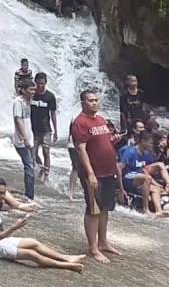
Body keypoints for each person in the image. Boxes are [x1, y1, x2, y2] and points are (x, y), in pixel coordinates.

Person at [0, 176, 85, 272]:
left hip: (2, 240)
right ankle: (65, 265)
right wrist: (14, 227)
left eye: (4, 193)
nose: (3, 196)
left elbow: (12, 206)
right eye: (0, 193)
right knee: (31, 254)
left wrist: (18, 203)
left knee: (33, 243)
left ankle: (66, 257)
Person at [70, 89, 121, 263]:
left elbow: (104, 142)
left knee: (105, 207)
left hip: (108, 171)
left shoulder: (100, 120)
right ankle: (92, 247)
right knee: (93, 209)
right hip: (94, 173)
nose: (95, 103)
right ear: (83, 103)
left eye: (96, 100)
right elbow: (81, 150)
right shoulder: (79, 123)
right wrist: (90, 174)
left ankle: (103, 242)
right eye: (91, 100)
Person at [119, 131, 169, 217]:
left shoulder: (146, 154)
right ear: (143, 141)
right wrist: (121, 189)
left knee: (155, 188)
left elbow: (144, 170)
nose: (152, 145)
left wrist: (157, 184)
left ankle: (159, 211)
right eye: (150, 143)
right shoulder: (130, 152)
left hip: (140, 176)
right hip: (128, 177)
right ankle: (145, 209)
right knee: (146, 178)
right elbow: (118, 168)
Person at [29, 73, 58, 184]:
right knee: (33, 153)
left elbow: (53, 114)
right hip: (33, 130)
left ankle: (46, 175)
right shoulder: (31, 95)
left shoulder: (50, 96)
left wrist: (55, 131)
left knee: (46, 152)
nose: (40, 86)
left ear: (46, 83)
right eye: (38, 84)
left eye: (42, 84)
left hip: (46, 129)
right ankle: (41, 168)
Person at [11, 82, 35, 200]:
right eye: (31, 89)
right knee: (29, 166)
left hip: (29, 139)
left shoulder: (28, 102)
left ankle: (30, 193)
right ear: (24, 90)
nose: (33, 92)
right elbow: (18, 120)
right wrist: (24, 138)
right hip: (22, 141)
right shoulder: (18, 102)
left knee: (31, 166)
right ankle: (29, 195)